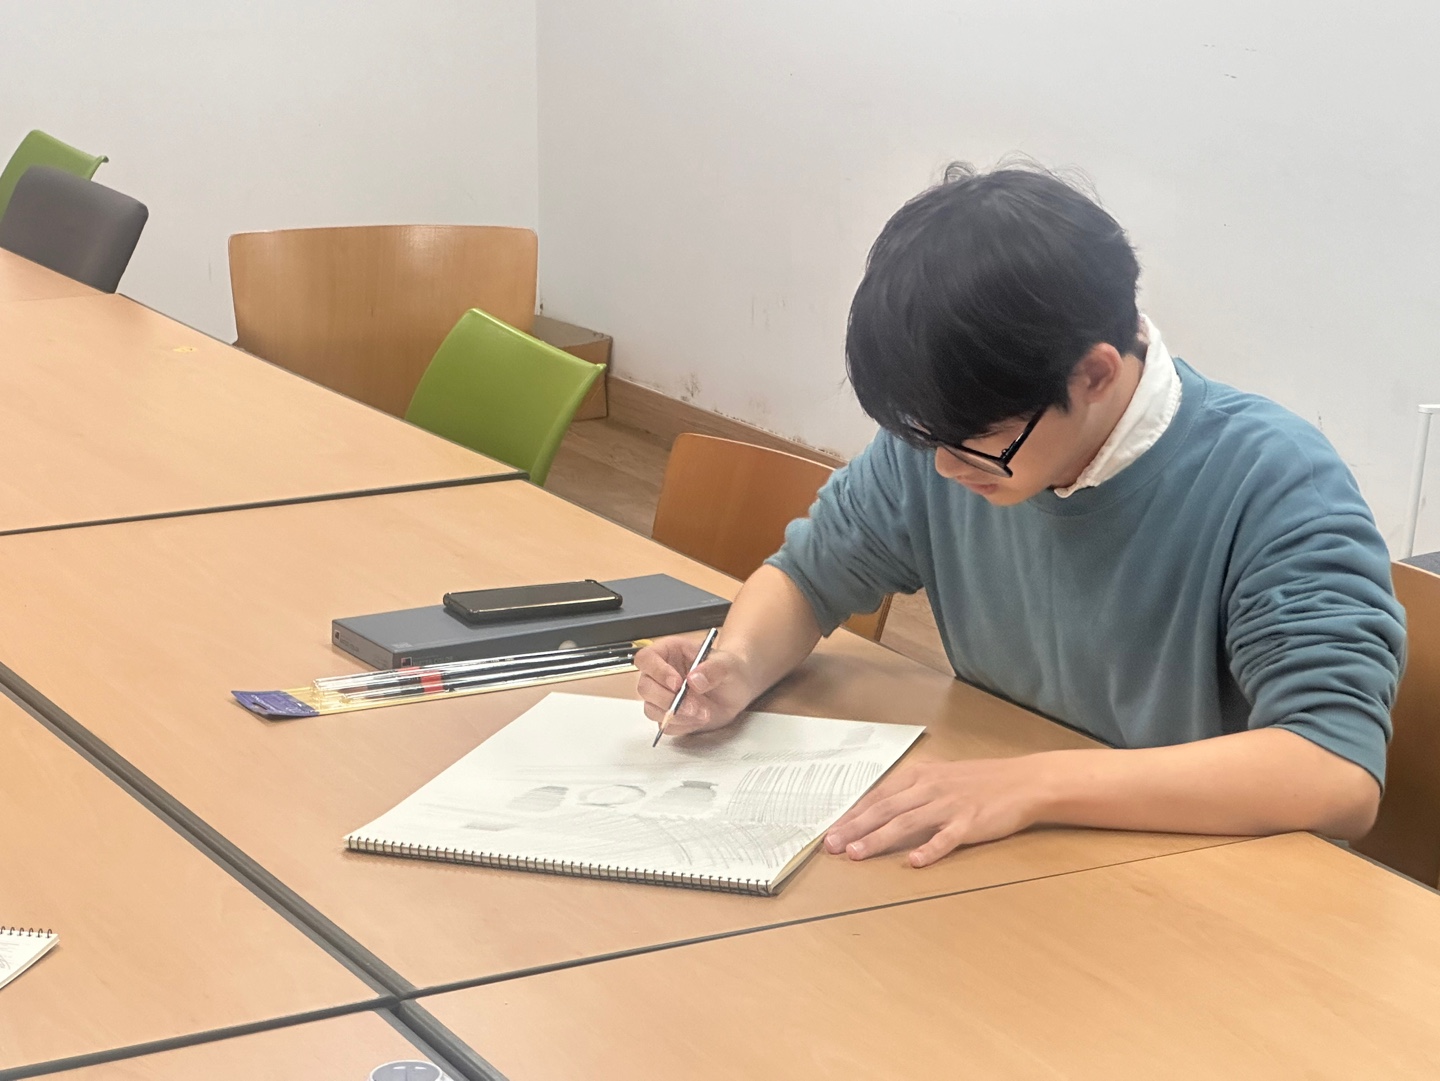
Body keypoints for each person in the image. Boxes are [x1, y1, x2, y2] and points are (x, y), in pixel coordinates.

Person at [635, 162, 1405, 870]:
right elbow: (810, 576)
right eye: (922, 438)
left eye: (974, 442)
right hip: (1022, 855)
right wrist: (735, 664)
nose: (942, 467)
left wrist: (1033, 784)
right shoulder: (952, 437)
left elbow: (1333, 769)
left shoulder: (1274, 481)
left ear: (1095, 373)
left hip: (1205, 877)